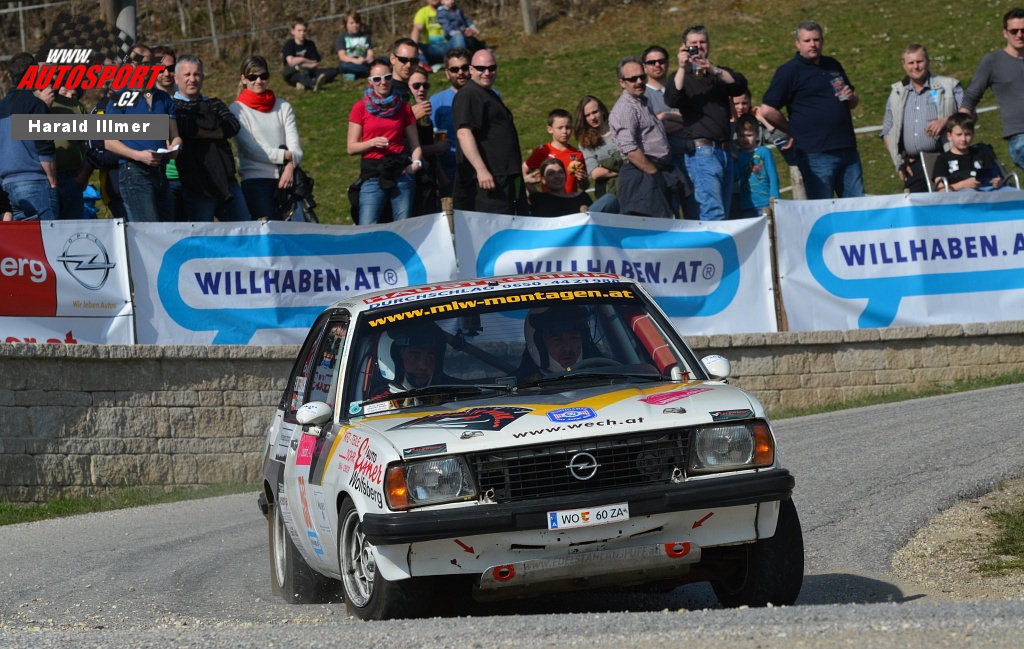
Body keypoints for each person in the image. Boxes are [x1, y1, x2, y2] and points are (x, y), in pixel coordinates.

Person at [759, 20, 865, 200]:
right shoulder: (789, 71)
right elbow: (767, 110)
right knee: (822, 208)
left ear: (822, 41)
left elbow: (852, 101)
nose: (813, 44)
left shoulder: (833, 64)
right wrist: (791, 130)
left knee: (857, 207)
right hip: (815, 153)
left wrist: (852, 97)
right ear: (797, 43)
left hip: (847, 149)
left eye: (816, 40)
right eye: (807, 41)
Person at [665, 25, 748, 221]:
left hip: (725, 151)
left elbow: (739, 85)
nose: (698, 47)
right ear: (684, 47)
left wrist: (713, 69)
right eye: (693, 44)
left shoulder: (717, 74)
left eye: (702, 42)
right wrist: (682, 67)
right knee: (713, 212)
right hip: (702, 152)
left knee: (724, 213)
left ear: (709, 45)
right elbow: (672, 98)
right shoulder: (680, 76)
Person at [104, 44, 183, 223]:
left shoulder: (164, 98)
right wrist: (138, 156)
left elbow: (175, 135)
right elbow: (109, 141)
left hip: (161, 172)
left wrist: (176, 147)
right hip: (134, 172)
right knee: (148, 230)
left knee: (168, 229)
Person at [608, 55, 690, 219]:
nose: (639, 81)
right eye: (633, 79)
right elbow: (630, 149)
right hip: (642, 174)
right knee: (655, 228)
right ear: (622, 82)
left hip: (657, 170)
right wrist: (654, 173)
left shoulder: (642, 102)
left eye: (641, 77)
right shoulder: (625, 108)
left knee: (670, 222)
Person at [173, 54, 250, 221]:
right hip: (196, 186)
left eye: (196, 74)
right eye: (187, 74)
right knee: (203, 234)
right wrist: (216, 131)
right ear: (176, 78)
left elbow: (232, 125)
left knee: (245, 231)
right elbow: (183, 127)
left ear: (202, 77)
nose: (192, 79)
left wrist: (200, 132)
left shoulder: (214, 103)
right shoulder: (172, 108)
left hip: (227, 182)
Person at [347, 59, 423, 225]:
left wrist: (415, 164)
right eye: (377, 79)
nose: (383, 82)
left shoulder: (403, 107)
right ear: (370, 82)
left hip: (401, 171)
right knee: (367, 226)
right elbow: (351, 148)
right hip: (372, 173)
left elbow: (415, 145)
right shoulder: (360, 107)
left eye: (387, 77)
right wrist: (372, 143)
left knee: (403, 226)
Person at [452, 49, 526, 214]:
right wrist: (481, 170)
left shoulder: (488, 94)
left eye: (491, 68)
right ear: (471, 70)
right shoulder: (469, 94)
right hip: (486, 182)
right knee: (492, 227)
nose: (487, 73)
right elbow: (464, 133)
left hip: (501, 177)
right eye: (481, 68)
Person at [231, 55, 305, 221]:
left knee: (299, 229)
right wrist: (286, 156)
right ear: (243, 79)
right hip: (256, 181)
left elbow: (296, 148)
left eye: (263, 76)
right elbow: (251, 150)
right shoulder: (237, 109)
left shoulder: (283, 106)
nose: (259, 81)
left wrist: (290, 166)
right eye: (253, 77)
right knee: (267, 231)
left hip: (287, 178)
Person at [881, 44, 963, 193]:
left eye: (919, 61)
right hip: (914, 166)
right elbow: (886, 131)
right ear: (904, 65)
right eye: (911, 63)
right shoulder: (897, 92)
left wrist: (945, 121)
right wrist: (900, 160)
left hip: (945, 159)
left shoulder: (949, 86)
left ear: (928, 61)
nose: (916, 67)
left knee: (948, 204)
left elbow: (968, 116)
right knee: (915, 205)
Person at [960, 8, 1024, 172]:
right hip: (1020, 136)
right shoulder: (992, 62)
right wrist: (961, 126)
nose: (1019, 35)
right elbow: (971, 96)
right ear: (1005, 33)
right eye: (1014, 31)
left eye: (1023, 30)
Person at [0, 52, 58, 221]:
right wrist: (53, 180)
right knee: (48, 235)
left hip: (6, 186)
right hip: (35, 182)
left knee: (22, 237)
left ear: (10, 75)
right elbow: (44, 147)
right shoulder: (35, 105)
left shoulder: (2, 107)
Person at [643, 44, 690, 216]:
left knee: (697, 215)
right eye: (652, 62)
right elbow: (653, 130)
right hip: (665, 165)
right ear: (644, 67)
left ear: (668, 63)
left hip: (690, 157)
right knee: (671, 216)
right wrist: (682, 120)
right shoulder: (642, 97)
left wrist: (665, 116)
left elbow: (695, 118)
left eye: (661, 61)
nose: (657, 65)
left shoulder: (680, 87)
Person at [517, 305, 602, 382]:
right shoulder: (520, 389)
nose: (567, 349)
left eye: (574, 338)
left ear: (584, 341)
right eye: (557, 340)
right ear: (540, 345)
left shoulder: (603, 373)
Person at [430, 47, 472, 197]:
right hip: (451, 171)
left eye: (464, 68)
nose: (460, 72)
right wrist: (441, 176)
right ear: (447, 73)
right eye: (454, 69)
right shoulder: (437, 102)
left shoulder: (487, 96)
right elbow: (436, 139)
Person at [931, 113, 1012, 192]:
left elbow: (996, 177)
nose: (963, 139)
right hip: (960, 197)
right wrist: (963, 185)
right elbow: (940, 189)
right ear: (949, 136)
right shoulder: (943, 159)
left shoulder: (981, 154)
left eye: (967, 134)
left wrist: (997, 182)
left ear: (973, 134)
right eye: (959, 135)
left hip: (986, 194)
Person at [44, 85, 91, 219]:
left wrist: (83, 176)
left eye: (74, 94)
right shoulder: (36, 102)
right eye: (64, 92)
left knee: (72, 226)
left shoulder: (77, 107)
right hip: (41, 178)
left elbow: (89, 145)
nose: (69, 96)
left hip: (71, 177)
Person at [151, 46, 186, 221]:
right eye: (160, 69)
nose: (166, 73)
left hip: (188, 176)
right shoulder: (146, 101)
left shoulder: (186, 98)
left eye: (171, 68)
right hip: (163, 176)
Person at [523, 108, 589, 194]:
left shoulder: (577, 154)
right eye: (560, 128)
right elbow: (523, 170)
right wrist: (533, 192)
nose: (564, 131)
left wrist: (583, 180)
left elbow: (584, 186)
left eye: (568, 127)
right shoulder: (543, 151)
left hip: (571, 200)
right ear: (550, 129)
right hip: (550, 200)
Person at [573, 95, 620, 213]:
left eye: (595, 112)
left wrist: (606, 167)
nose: (592, 117)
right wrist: (623, 171)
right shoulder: (585, 142)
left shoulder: (619, 129)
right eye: (587, 115)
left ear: (602, 111)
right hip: (607, 191)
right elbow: (595, 173)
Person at [408, 67, 445, 215]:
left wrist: (441, 176)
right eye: (416, 86)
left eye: (425, 85)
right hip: (413, 178)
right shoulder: (405, 114)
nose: (421, 89)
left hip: (429, 178)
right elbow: (408, 148)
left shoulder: (426, 113)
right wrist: (437, 148)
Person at [733, 114, 780, 218]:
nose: (745, 139)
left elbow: (773, 177)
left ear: (757, 134)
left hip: (765, 203)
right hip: (746, 205)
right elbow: (735, 177)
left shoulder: (764, 152)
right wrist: (733, 162)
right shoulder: (738, 156)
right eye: (741, 136)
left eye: (749, 135)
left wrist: (775, 200)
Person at [282, 19, 336, 92]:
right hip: (295, 72)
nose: (302, 33)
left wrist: (301, 63)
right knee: (301, 75)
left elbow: (315, 62)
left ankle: (306, 84)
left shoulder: (310, 44)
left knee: (332, 71)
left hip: (310, 71)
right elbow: (291, 62)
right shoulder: (289, 45)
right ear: (293, 31)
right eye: (299, 31)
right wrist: (303, 60)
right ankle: (313, 84)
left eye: (304, 31)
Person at [527, 158, 592, 217]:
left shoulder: (582, 198)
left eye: (560, 172)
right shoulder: (539, 200)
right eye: (551, 174)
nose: (557, 176)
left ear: (565, 176)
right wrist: (526, 180)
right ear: (543, 180)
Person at [411, 0, 453, 67]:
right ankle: (425, 66)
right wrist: (415, 46)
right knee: (413, 46)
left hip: (449, 47)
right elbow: (417, 29)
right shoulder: (423, 12)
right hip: (431, 49)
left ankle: (461, 63)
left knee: (460, 38)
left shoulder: (449, 9)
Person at [335, 11, 374, 81]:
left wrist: (369, 58)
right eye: (351, 23)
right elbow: (342, 56)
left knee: (384, 59)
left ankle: (358, 73)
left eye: (357, 22)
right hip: (350, 62)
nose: (355, 25)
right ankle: (370, 71)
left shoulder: (366, 36)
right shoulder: (342, 37)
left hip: (364, 61)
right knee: (344, 66)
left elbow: (370, 52)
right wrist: (356, 61)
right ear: (346, 24)